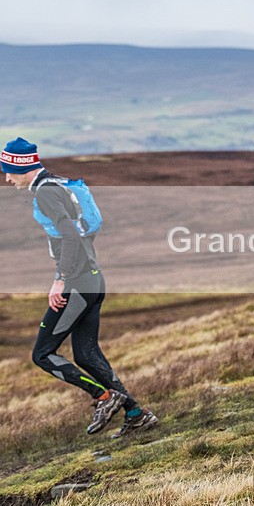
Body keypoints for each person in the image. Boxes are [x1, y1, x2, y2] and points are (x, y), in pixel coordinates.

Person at [2, 137, 157, 438]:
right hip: (92, 280)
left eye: (8, 170)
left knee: (42, 353)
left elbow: (71, 238)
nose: (6, 178)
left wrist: (61, 279)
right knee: (85, 354)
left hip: (77, 285)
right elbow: (82, 233)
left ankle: (103, 397)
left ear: (23, 168)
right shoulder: (58, 184)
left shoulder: (46, 193)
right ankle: (137, 414)